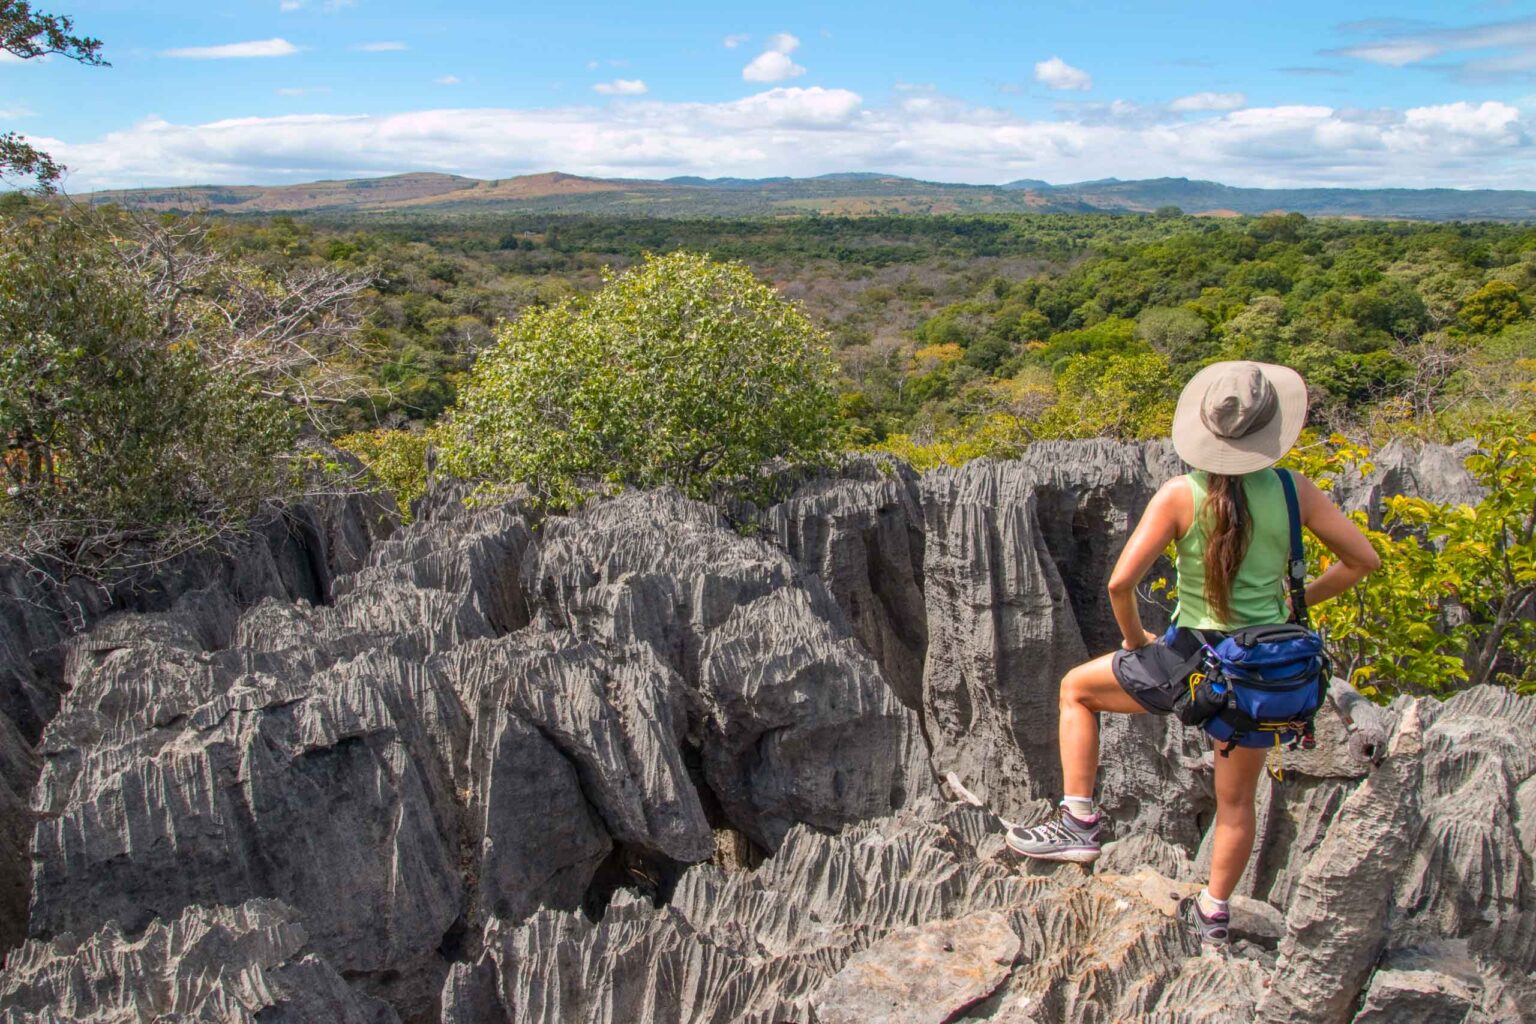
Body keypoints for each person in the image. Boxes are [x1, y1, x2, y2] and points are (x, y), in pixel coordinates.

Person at [1005, 361, 1381, 945]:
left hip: (1187, 661)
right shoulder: (1294, 490)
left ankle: (1079, 819)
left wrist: (1135, 643)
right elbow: (1363, 561)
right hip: (1260, 672)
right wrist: (1291, 604)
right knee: (1237, 806)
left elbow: (1119, 584)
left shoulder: (1182, 494)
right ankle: (1213, 913)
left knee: (1076, 690)